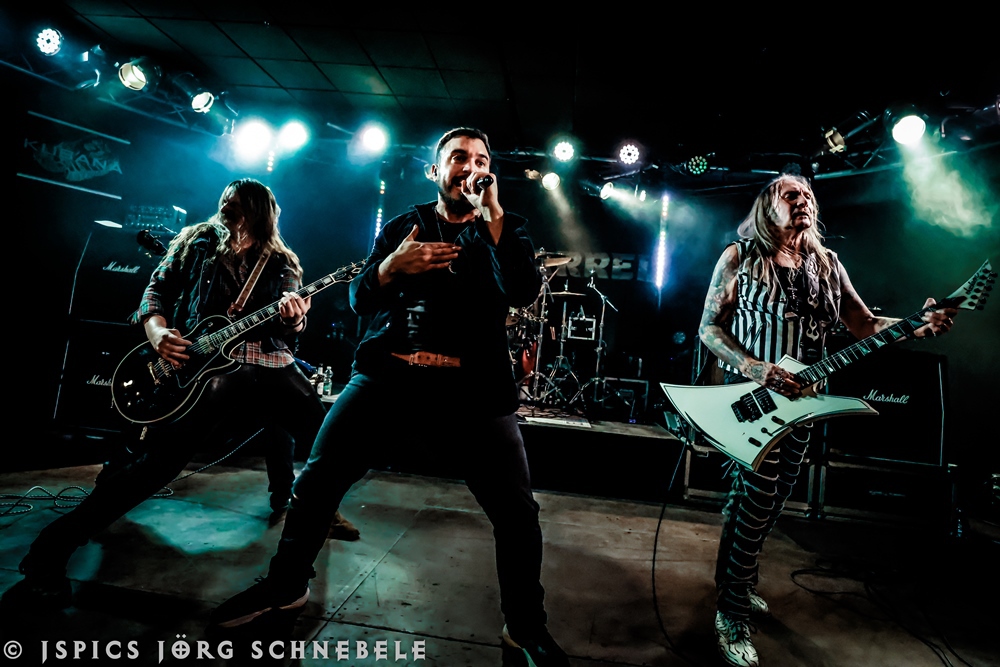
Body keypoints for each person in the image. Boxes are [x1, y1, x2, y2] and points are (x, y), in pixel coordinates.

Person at [211, 129, 570, 666]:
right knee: (316, 484)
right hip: (390, 380)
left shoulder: (505, 229)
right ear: (435, 170)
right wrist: (389, 268)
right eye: (458, 158)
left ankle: (525, 624)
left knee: (517, 513)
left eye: (481, 160)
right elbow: (358, 298)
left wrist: (493, 214)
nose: (471, 167)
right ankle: (286, 586)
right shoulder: (403, 226)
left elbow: (522, 290)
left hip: (474, 392)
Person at [11, 178, 355, 609]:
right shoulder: (196, 241)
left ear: (261, 212)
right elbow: (157, 289)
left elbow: (290, 328)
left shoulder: (282, 260)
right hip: (207, 368)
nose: (226, 207)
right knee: (157, 466)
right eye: (225, 201)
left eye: (237, 204)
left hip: (271, 365)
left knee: (330, 447)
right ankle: (48, 552)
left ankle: (300, 552)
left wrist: (295, 318)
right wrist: (156, 331)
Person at [697, 173, 957, 667]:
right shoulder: (740, 257)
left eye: (809, 195)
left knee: (772, 500)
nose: (804, 200)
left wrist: (916, 326)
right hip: (753, 400)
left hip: (806, 406)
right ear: (767, 206)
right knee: (754, 500)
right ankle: (731, 610)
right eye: (791, 194)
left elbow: (864, 324)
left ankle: (738, 579)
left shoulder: (828, 264)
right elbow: (709, 328)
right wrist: (757, 368)